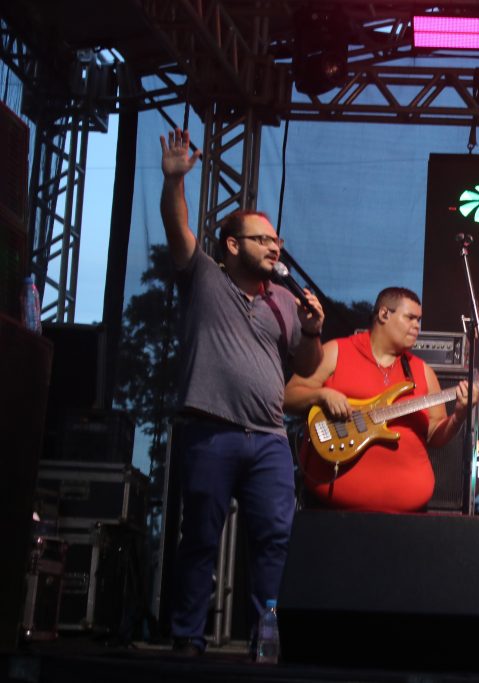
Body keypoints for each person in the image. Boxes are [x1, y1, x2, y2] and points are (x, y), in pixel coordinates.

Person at [159, 128, 325, 655]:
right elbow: (178, 228)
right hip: (211, 429)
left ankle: (265, 638)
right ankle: (188, 638)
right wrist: (175, 181)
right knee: (200, 538)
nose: (274, 247)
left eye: (277, 242)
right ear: (233, 245)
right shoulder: (206, 276)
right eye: (262, 240)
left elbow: (307, 366)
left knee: (275, 539)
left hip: (269, 438)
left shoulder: (283, 300)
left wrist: (313, 330)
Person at [283, 287, 473, 512]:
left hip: (407, 517)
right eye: (410, 318)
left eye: (419, 320)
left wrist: (459, 415)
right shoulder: (337, 351)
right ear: (384, 314)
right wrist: (322, 395)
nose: (417, 326)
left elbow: (435, 435)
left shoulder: (423, 372)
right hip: (332, 515)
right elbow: (288, 397)